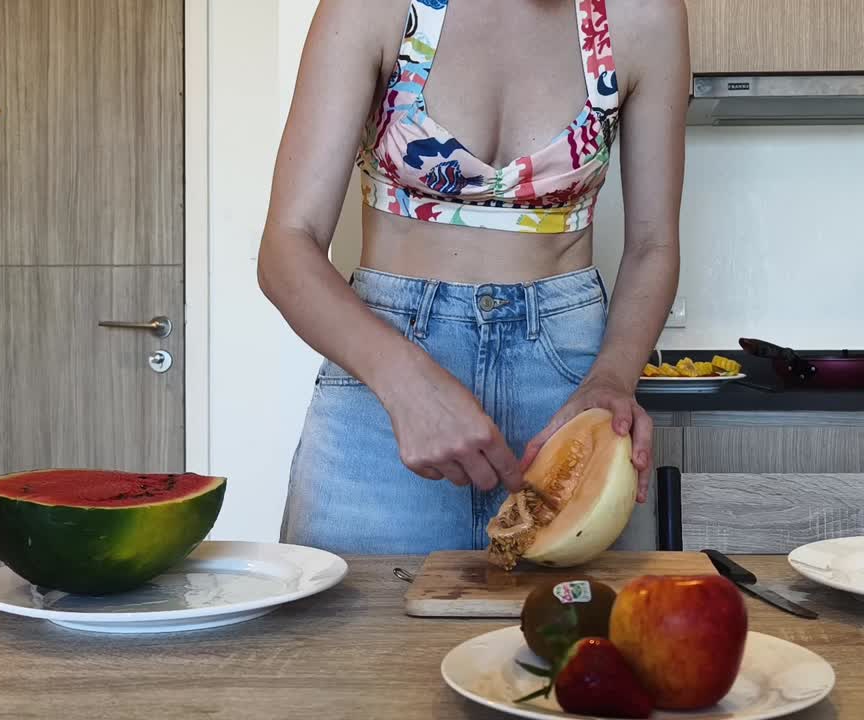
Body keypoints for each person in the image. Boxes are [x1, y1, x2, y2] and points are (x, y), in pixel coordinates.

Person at [257, 0, 688, 554]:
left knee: (581, 614)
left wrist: (613, 377)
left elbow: (653, 245)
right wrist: (407, 384)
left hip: (568, 387)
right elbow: (287, 244)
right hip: (383, 375)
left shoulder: (645, 14)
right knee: (352, 612)